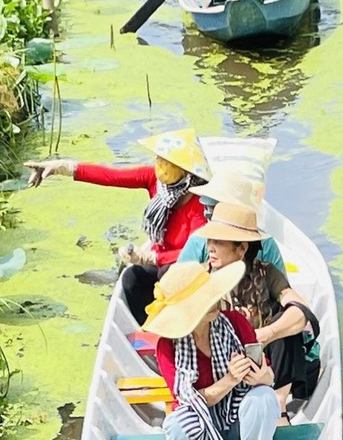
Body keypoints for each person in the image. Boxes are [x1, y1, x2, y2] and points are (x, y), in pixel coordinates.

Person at [24, 128, 211, 323]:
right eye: (159, 159)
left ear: (185, 170)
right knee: (131, 278)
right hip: (159, 263)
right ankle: (150, 328)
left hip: (184, 269)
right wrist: (63, 167)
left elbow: (197, 251)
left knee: (169, 273)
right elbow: (112, 176)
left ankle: (178, 324)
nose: (161, 166)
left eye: (169, 163)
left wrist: (151, 257)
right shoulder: (154, 182)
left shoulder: (199, 200)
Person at [145, 260, 281, 440]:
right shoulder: (167, 346)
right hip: (198, 426)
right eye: (204, 300)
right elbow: (188, 402)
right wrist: (230, 379)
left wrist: (263, 377)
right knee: (176, 425)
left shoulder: (235, 323)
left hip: (238, 420)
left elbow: (267, 373)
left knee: (264, 398)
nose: (215, 302)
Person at [197, 200, 319, 404]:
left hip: (262, 362)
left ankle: (279, 405)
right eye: (210, 240)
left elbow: (300, 311)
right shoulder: (201, 276)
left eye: (219, 241)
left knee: (286, 324)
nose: (210, 247)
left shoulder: (266, 272)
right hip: (220, 364)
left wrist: (265, 335)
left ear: (242, 248)